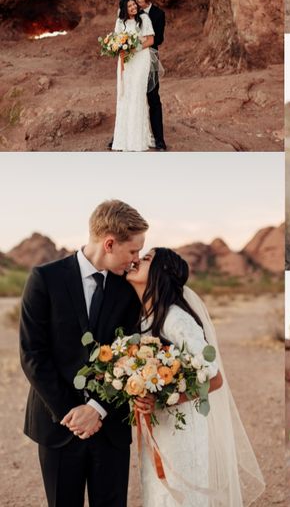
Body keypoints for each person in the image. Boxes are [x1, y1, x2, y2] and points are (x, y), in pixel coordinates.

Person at [19, 200, 150, 507]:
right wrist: (72, 414)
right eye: (133, 251)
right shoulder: (44, 279)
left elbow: (132, 353)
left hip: (110, 427)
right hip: (57, 425)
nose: (136, 260)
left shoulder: (129, 289)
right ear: (109, 243)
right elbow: (32, 354)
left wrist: (98, 409)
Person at [126, 247, 265, 506]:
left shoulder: (176, 320)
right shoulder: (144, 319)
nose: (136, 260)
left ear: (160, 273)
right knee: (158, 492)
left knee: (179, 494)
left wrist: (165, 400)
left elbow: (215, 379)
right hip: (157, 427)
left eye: (146, 259)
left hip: (181, 432)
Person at [111, 0, 159, 151]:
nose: (133, 8)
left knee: (137, 95)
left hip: (141, 59)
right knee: (125, 95)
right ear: (124, 9)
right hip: (126, 61)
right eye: (130, 6)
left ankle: (138, 139)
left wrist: (134, 48)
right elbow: (117, 42)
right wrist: (122, 54)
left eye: (134, 5)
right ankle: (123, 139)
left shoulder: (144, 19)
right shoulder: (120, 22)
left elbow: (150, 40)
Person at [136, 0, 166, 151]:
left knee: (153, 97)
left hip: (150, 57)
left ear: (147, 2)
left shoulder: (158, 14)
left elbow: (159, 38)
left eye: (139, 1)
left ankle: (159, 139)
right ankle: (126, 135)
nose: (136, 2)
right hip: (133, 59)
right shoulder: (133, 10)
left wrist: (140, 42)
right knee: (133, 96)